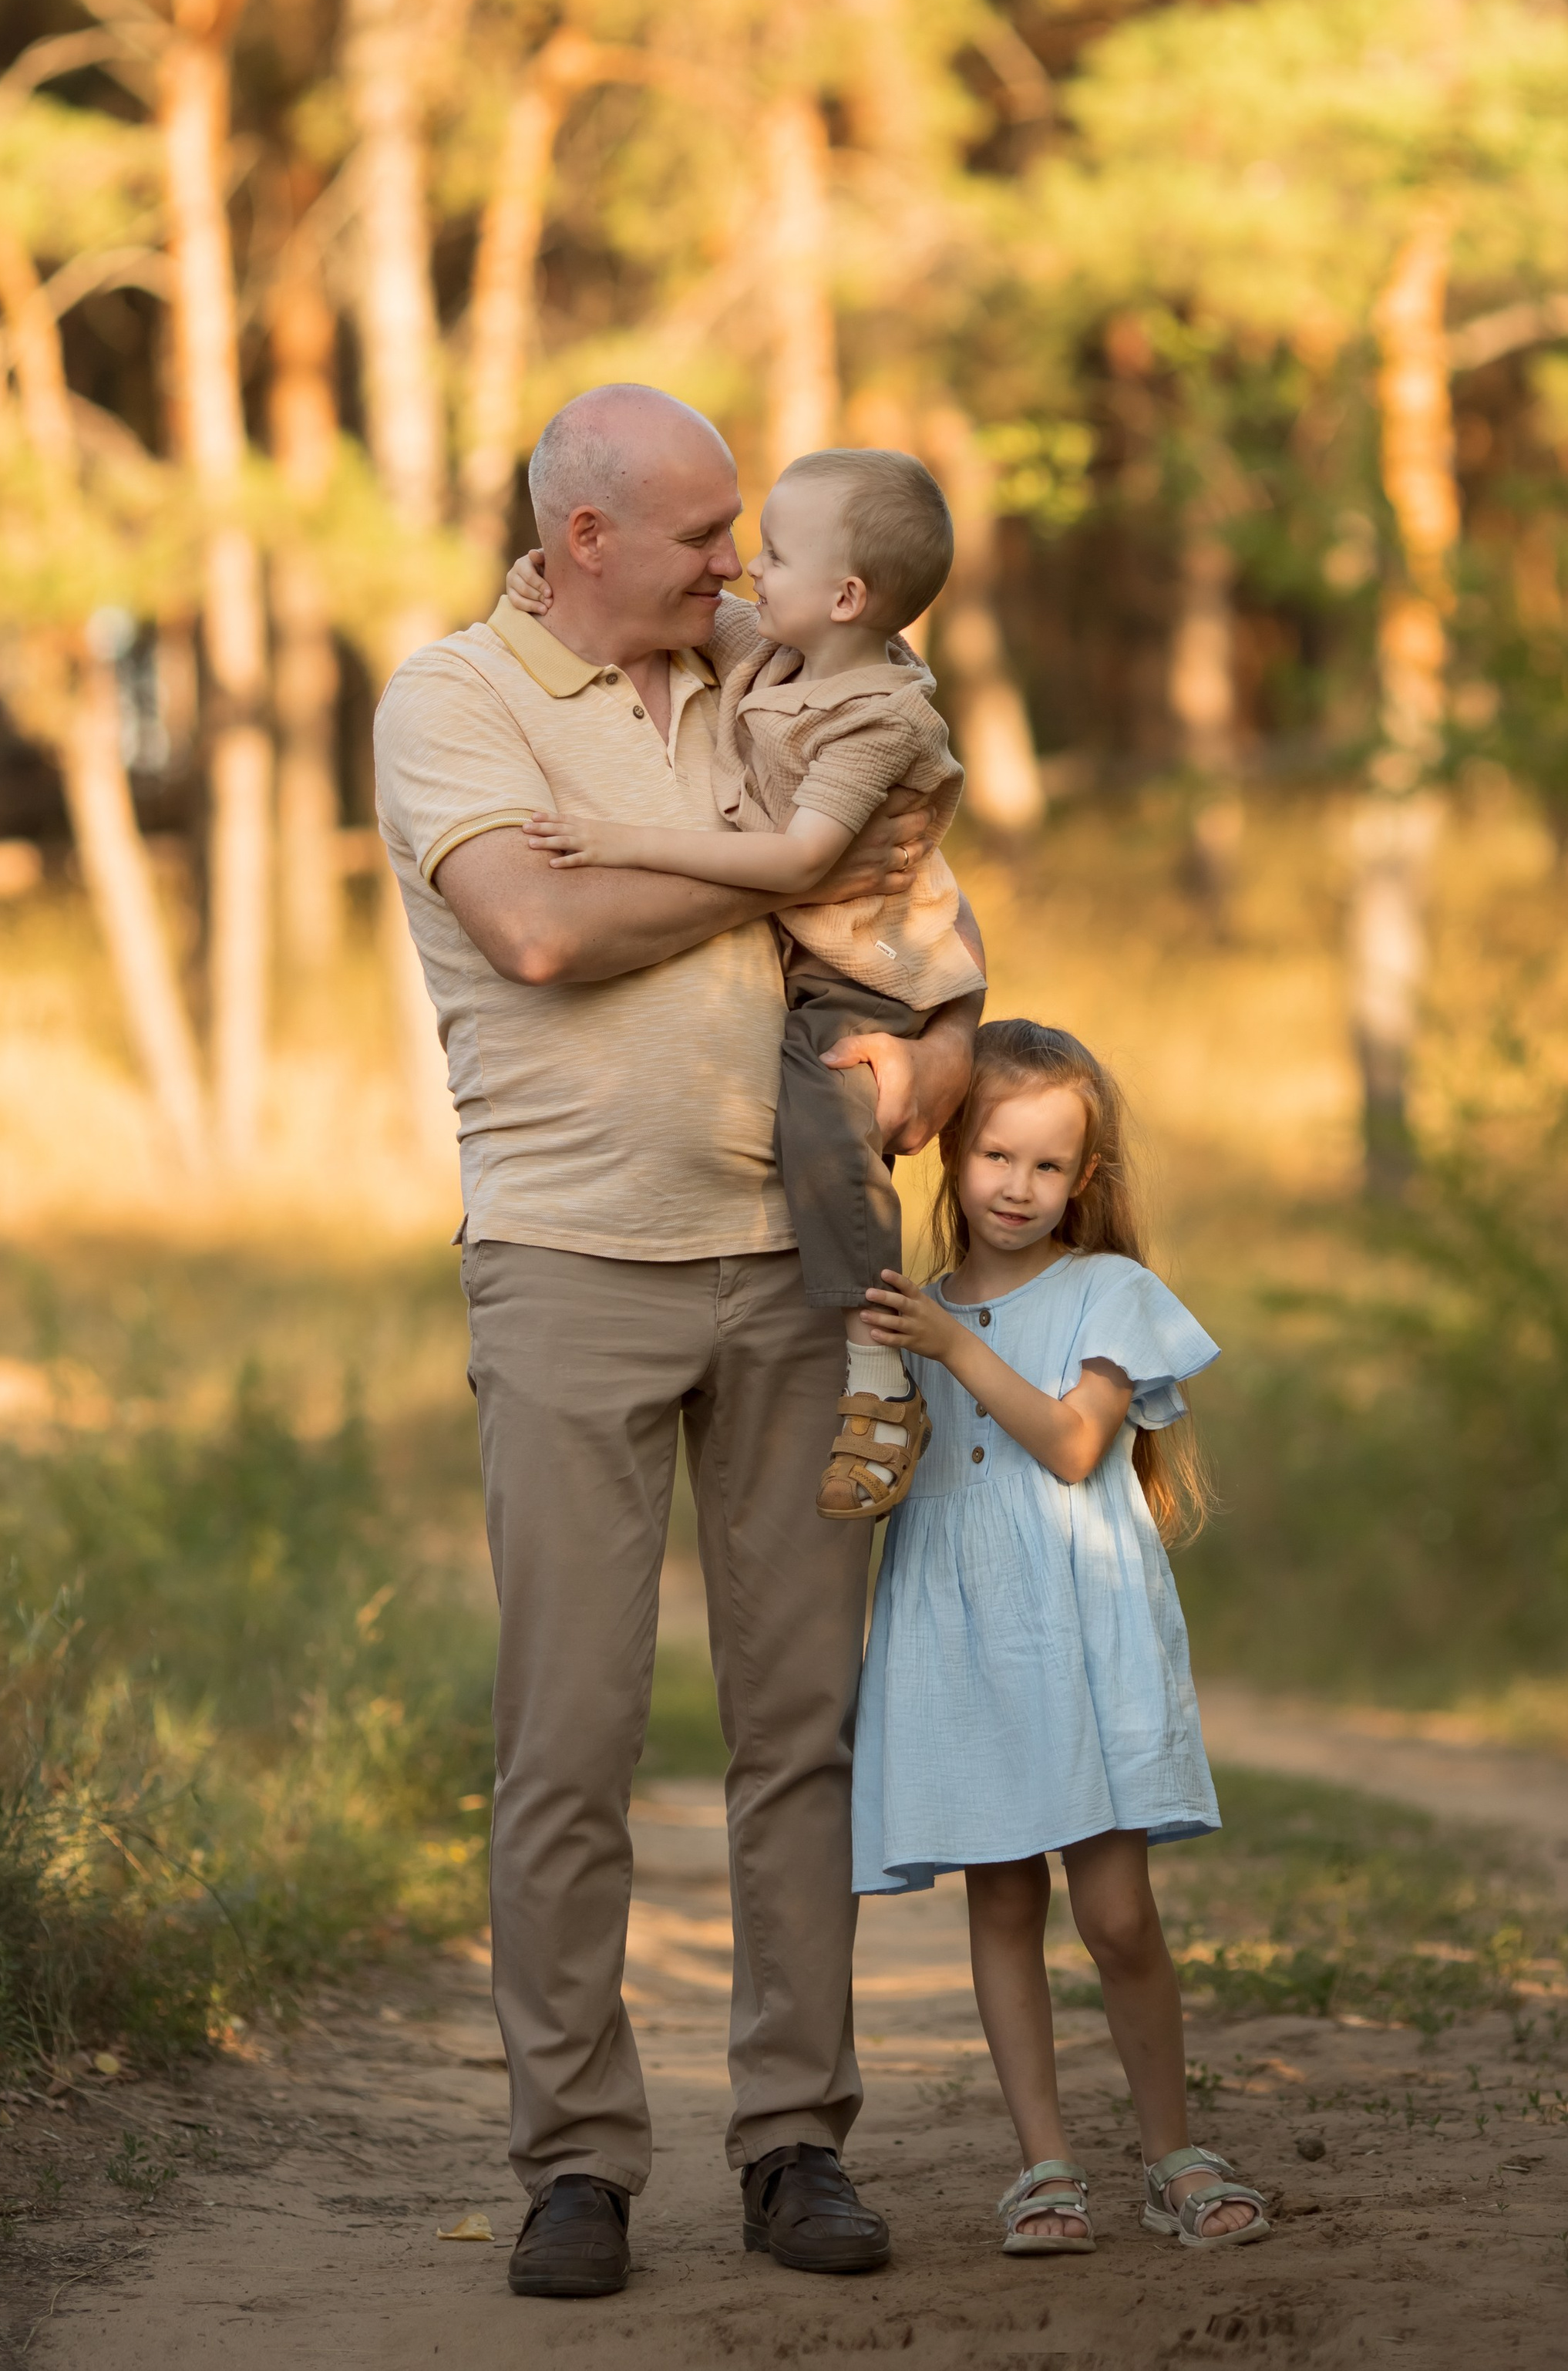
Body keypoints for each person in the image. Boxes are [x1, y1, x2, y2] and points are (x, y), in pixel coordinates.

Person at [372, 383, 982, 2301]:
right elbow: (529, 934)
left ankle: (795, 2136)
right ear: (582, 540)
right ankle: (573, 2160)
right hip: (570, 1262)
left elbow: (937, 961)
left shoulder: (790, 664)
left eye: (745, 531)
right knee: (569, 1733)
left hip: (801, 1268)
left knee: (796, 1730)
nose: (734, 560)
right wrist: (776, 873)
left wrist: (926, 1065)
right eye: (703, 533)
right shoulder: (451, 698)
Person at [851, 1019, 1274, 2256]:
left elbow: (1077, 1443)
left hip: (1077, 1631)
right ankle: (1044, 2165)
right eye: (996, 1156)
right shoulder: (911, 1312)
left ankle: (1171, 2149)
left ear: (1082, 1178)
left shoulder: (1106, 1292)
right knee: (1000, 1904)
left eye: (1047, 1165)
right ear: (950, 1157)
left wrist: (951, 1349)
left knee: (1118, 1913)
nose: (1018, 1187)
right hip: (962, 1628)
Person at [505, 446, 985, 1525]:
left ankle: (881, 1360)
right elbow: (639, 609)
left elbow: (804, 861)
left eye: (771, 552)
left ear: (847, 596)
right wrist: (535, 580)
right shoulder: (778, 650)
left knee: (820, 1103)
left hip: (868, 966)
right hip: (817, 957)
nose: (742, 572)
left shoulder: (875, 718)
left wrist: (618, 840)